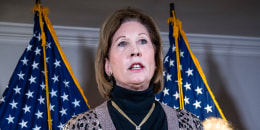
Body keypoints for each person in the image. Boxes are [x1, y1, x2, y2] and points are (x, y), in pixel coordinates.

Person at [63, 7, 203, 130]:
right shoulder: (80, 126)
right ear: (107, 66)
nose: (135, 50)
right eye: (122, 43)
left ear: (155, 59)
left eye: (142, 41)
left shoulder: (190, 124)